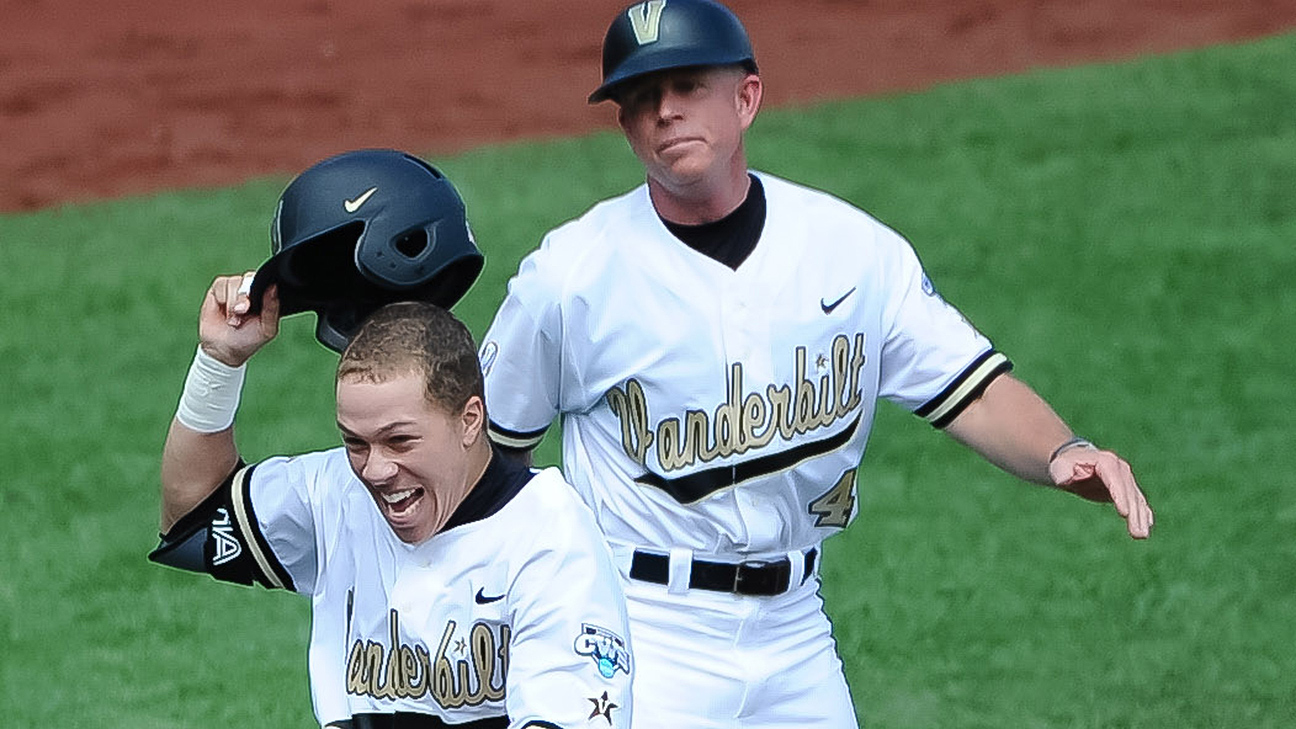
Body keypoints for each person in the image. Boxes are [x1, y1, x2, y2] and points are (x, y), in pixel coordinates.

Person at [477, 1, 1154, 727]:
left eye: (687, 86)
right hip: (640, 628)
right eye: (640, 99)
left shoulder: (851, 251)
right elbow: (488, 457)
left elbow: (973, 390)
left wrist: (1063, 449)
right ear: (625, 127)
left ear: (746, 98)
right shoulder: (570, 278)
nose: (664, 112)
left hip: (796, 629)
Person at [150, 151, 634, 729]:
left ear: (470, 419)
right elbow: (192, 515)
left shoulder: (549, 535)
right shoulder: (335, 494)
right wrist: (218, 363)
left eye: (400, 440)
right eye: (355, 442)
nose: (375, 469)